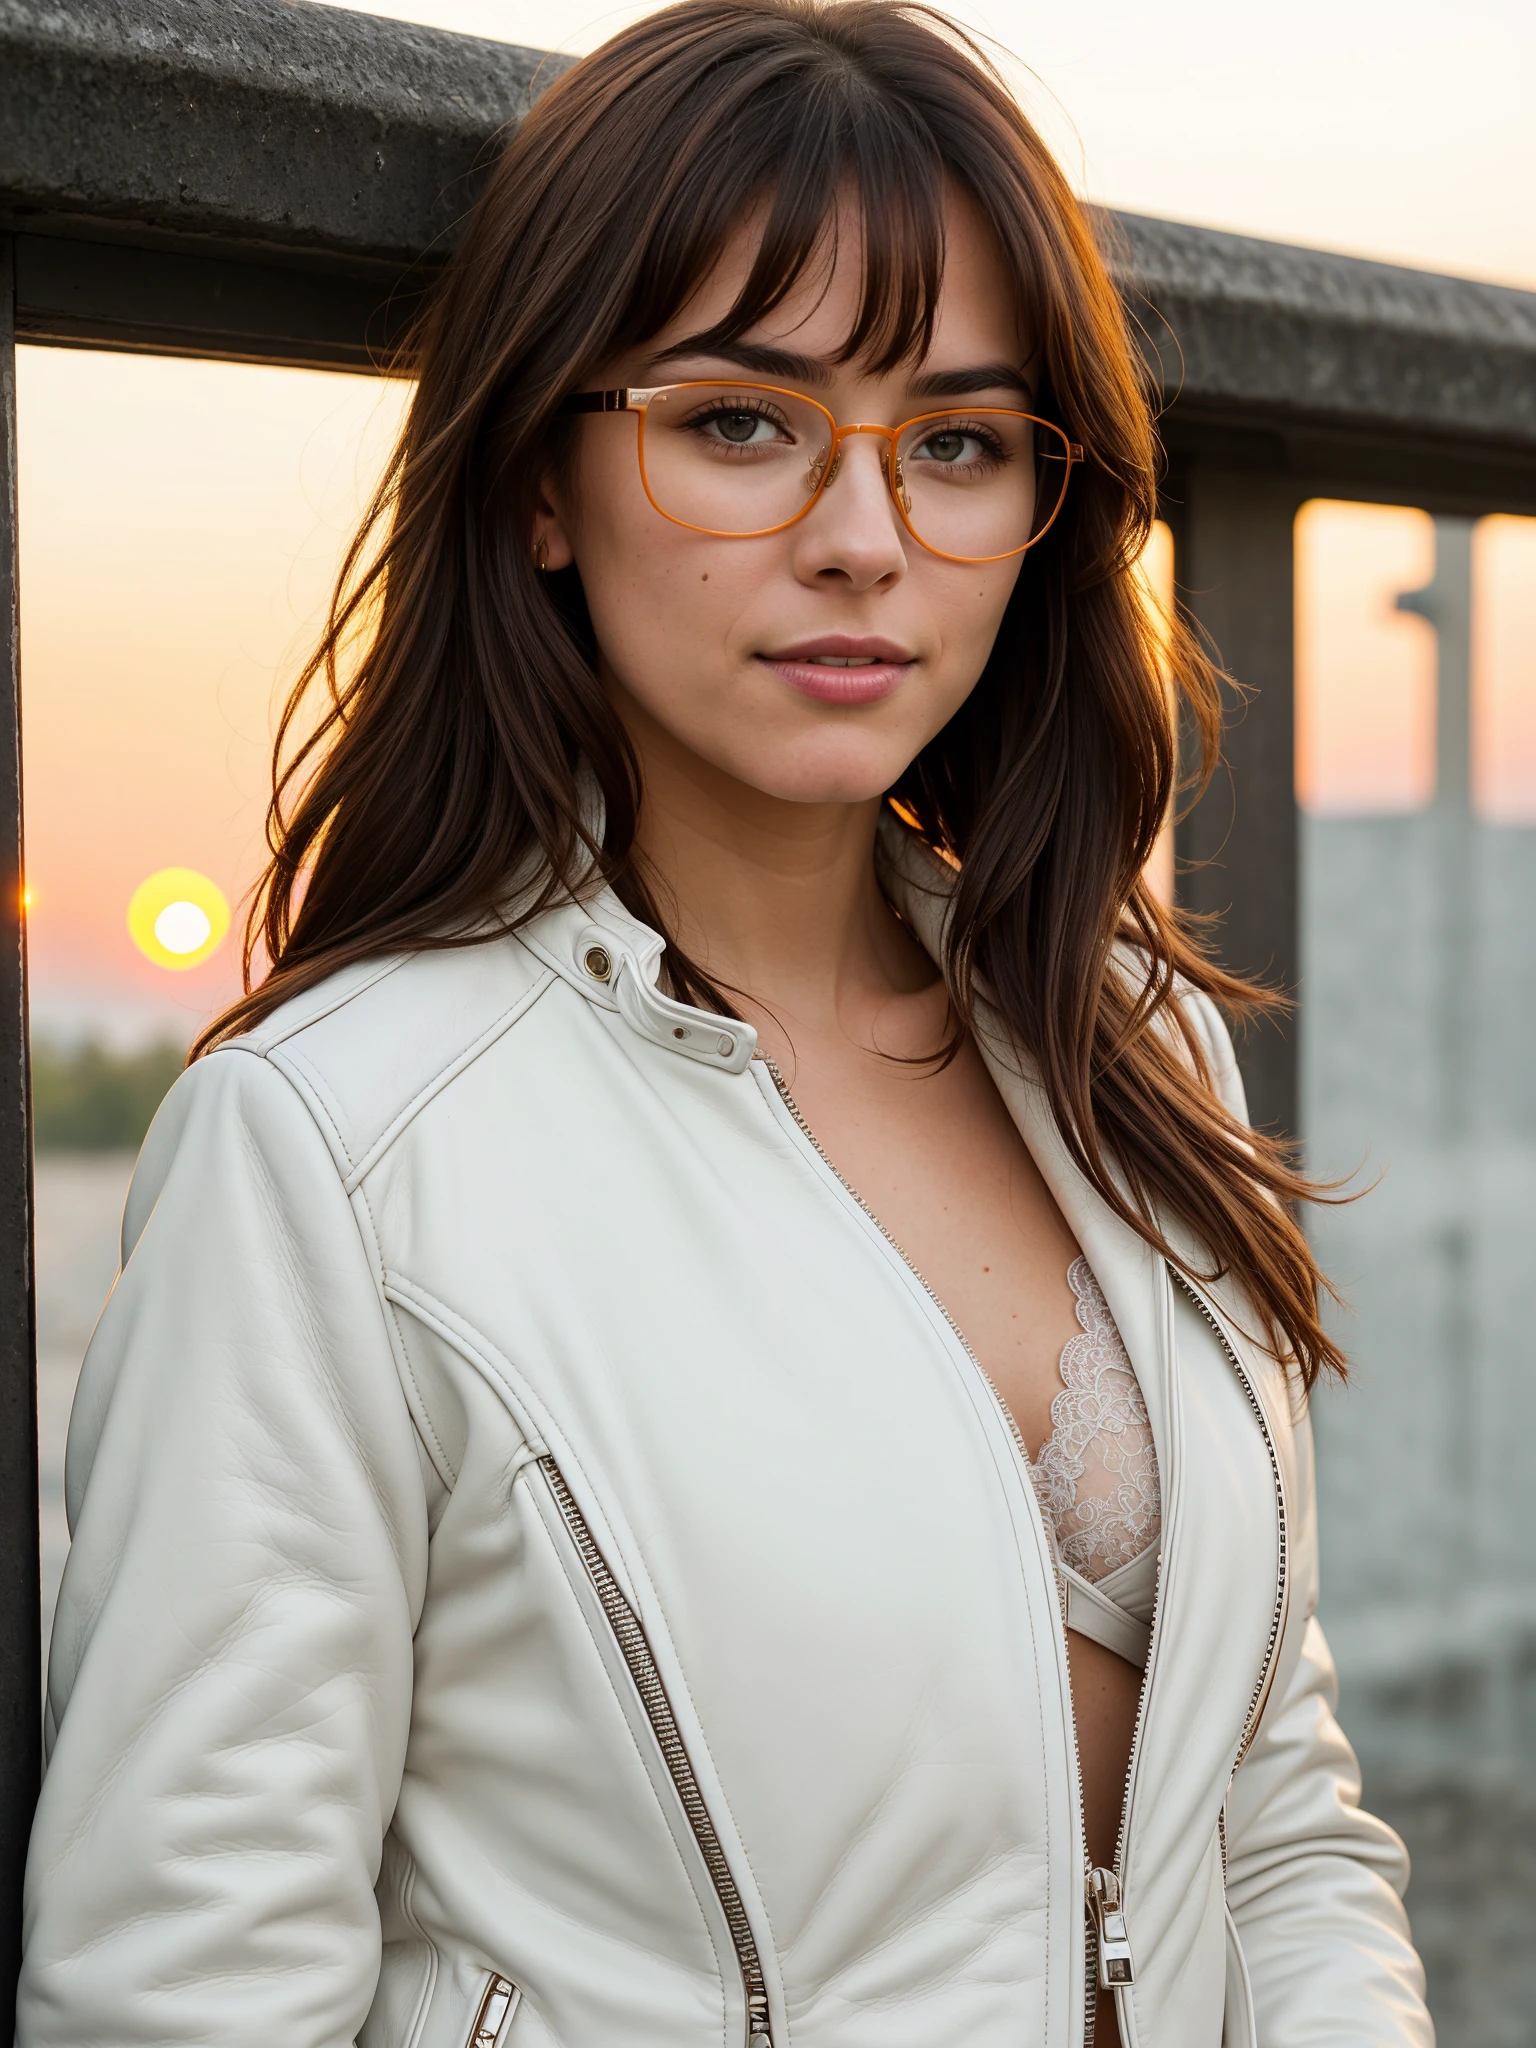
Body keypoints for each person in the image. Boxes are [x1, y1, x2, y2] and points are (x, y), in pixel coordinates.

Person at [18, 3, 1432, 2043]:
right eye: (740, 421)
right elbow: (186, 1994)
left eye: (956, 441)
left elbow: (1276, 1820)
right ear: (540, 483)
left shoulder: (1129, 1048)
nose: (864, 536)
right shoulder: (336, 1157)